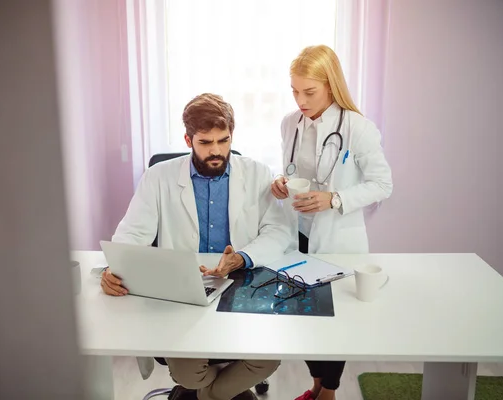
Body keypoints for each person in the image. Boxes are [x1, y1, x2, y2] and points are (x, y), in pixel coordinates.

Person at [102, 93, 291, 400]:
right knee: (188, 373)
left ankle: (206, 396)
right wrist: (114, 268)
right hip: (183, 291)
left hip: (241, 285)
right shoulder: (158, 177)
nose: (216, 151)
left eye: (223, 140)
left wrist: (242, 258)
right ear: (188, 139)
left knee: (268, 358)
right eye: (205, 142)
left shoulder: (256, 173)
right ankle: (217, 392)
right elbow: (132, 234)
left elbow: (278, 232)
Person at [271, 45, 393, 400]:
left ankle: (330, 391)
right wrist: (280, 183)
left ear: (331, 85)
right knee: (304, 313)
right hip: (298, 233)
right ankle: (316, 385)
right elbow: (293, 170)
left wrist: (334, 199)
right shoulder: (288, 124)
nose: (300, 100)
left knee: (334, 318)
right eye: (294, 90)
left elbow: (383, 184)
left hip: (338, 236)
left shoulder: (358, 128)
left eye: (309, 91)